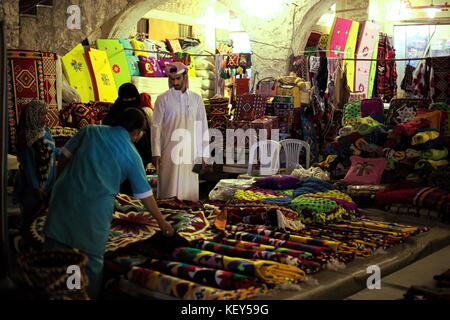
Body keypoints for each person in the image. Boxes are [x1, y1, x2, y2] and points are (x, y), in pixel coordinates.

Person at [43, 108, 174, 299]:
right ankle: (81, 294)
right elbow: (145, 195)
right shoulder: (132, 154)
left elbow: (63, 157)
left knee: (57, 252)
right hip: (93, 211)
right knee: (89, 261)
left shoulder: (91, 131)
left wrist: (59, 184)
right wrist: (162, 222)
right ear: (137, 132)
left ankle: (59, 293)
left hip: (63, 199)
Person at [151, 62, 209, 202]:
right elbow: (156, 126)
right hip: (169, 151)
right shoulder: (162, 99)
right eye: (172, 79)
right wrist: (156, 152)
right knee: (168, 188)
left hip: (192, 152)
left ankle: (189, 218)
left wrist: (204, 155)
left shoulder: (196, 99)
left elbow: (202, 126)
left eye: (178, 78)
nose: (175, 82)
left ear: (185, 77)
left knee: (190, 189)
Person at [14, 100, 59, 225]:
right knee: (31, 217)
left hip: (48, 183)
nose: (46, 118)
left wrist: (69, 153)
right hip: (33, 189)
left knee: (43, 219)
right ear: (33, 116)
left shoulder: (46, 133)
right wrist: (36, 188)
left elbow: (53, 152)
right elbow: (28, 168)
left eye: (46, 114)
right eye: (43, 114)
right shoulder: (28, 140)